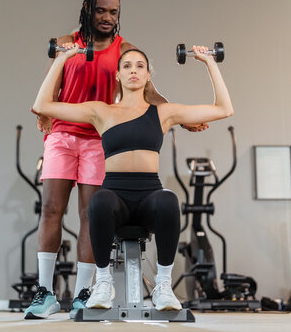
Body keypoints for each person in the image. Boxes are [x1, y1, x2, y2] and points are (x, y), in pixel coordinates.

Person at [25, 0, 207, 319]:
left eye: (114, 12)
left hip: (99, 137)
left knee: (89, 213)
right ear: (88, 9)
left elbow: (150, 94)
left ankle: (82, 292)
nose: (107, 17)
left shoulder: (126, 51)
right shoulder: (68, 44)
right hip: (64, 134)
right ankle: (44, 293)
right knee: (50, 209)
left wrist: (180, 119)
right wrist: (44, 113)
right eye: (101, 10)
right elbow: (53, 86)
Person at [32, 43, 233, 310]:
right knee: (99, 202)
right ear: (117, 75)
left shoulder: (164, 112)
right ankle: (102, 284)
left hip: (149, 194)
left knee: (169, 201)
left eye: (140, 66)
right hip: (115, 196)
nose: (133, 71)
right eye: (126, 66)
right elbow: (42, 104)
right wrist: (62, 58)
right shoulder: (101, 111)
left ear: (149, 75)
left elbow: (223, 109)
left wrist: (210, 62)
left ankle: (163, 286)